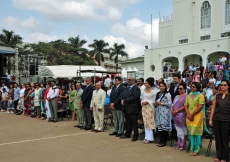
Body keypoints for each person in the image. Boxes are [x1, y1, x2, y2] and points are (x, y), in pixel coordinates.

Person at [209, 80, 230, 162]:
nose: (223, 86)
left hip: (226, 119)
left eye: (225, 85)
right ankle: (219, 155)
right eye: (221, 85)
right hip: (216, 118)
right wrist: (211, 119)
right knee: (218, 138)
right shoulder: (217, 96)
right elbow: (213, 108)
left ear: (228, 86)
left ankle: (225, 157)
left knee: (224, 138)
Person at [184, 82, 205, 156]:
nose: (192, 88)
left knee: (197, 133)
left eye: (194, 87)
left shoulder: (200, 95)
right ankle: (192, 149)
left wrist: (192, 115)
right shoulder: (188, 96)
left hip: (197, 116)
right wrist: (188, 115)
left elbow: (200, 107)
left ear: (198, 88)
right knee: (191, 133)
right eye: (191, 86)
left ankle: (196, 149)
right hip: (189, 116)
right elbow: (186, 106)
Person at [120, 77, 141, 142]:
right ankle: (127, 133)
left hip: (133, 107)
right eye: (128, 80)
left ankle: (135, 135)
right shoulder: (127, 88)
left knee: (134, 122)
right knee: (128, 121)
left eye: (130, 80)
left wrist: (125, 101)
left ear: (134, 81)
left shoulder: (136, 88)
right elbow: (122, 95)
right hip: (126, 107)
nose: (128, 81)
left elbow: (134, 97)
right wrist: (122, 100)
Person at [170, 82, 187, 151]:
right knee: (178, 130)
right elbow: (172, 104)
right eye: (178, 88)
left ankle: (182, 145)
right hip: (175, 115)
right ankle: (178, 144)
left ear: (184, 89)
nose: (179, 90)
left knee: (182, 129)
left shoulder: (186, 96)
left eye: (181, 89)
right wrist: (172, 111)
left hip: (181, 115)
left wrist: (176, 111)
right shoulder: (176, 96)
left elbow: (185, 106)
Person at [155, 82, 172, 147]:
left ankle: (163, 141)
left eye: (162, 86)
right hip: (158, 111)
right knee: (159, 126)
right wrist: (156, 103)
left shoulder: (168, 94)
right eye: (160, 86)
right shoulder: (158, 94)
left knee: (164, 126)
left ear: (165, 87)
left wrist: (161, 103)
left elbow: (170, 103)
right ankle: (160, 140)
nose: (161, 87)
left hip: (165, 112)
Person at [141, 77, 157, 143]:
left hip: (150, 108)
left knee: (149, 122)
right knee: (145, 122)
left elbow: (154, 101)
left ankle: (150, 138)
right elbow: (142, 99)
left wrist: (147, 102)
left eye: (146, 83)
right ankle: (146, 137)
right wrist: (142, 102)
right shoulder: (143, 91)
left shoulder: (153, 92)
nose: (145, 84)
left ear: (150, 84)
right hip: (144, 108)